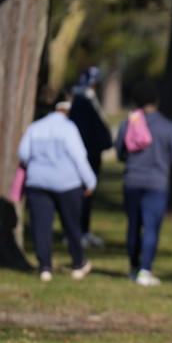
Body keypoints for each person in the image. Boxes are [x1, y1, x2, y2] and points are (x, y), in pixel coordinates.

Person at [18, 89, 97, 281]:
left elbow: (23, 154)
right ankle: (78, 263)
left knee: (41, 226)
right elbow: (79, 157)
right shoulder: (68, 128)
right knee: (71, 224)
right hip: (67, 183)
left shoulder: (35, 128)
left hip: (38, 182)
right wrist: (90, 182)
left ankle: (44, 267)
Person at [115, 80, 172, 286]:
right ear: (156, 100)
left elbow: (120, 153)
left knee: (133, 226)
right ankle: (145, 271)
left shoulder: (127, 124)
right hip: (157, 184)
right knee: (151, 228)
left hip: (132, 181)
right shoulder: (169, 127)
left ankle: (133, 268)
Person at [69, 66, 113, 247]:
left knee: (87, 195)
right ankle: (76, 233)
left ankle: (84, 231)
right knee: (82, 195)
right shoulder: (83, 101)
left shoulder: (87, 99)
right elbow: (86, 132)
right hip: (86, 156)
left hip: (91, 155)